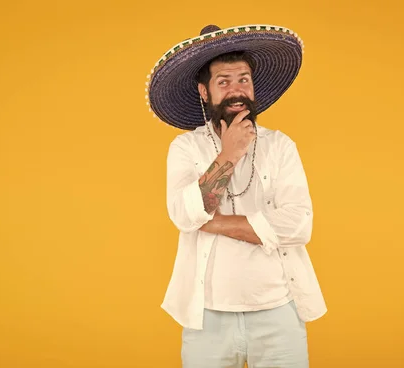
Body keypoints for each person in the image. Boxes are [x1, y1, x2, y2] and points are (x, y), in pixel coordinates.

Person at [145, 23, 327, 368]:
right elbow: (183, 217)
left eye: (243, 79)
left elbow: (298, 226)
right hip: (207, 317)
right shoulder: (186, 147)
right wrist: (229, 154)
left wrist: (211, 222)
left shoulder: (280, 146)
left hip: (278, 313)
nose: (236, 90)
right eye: (223, 82)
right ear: (204, 91)